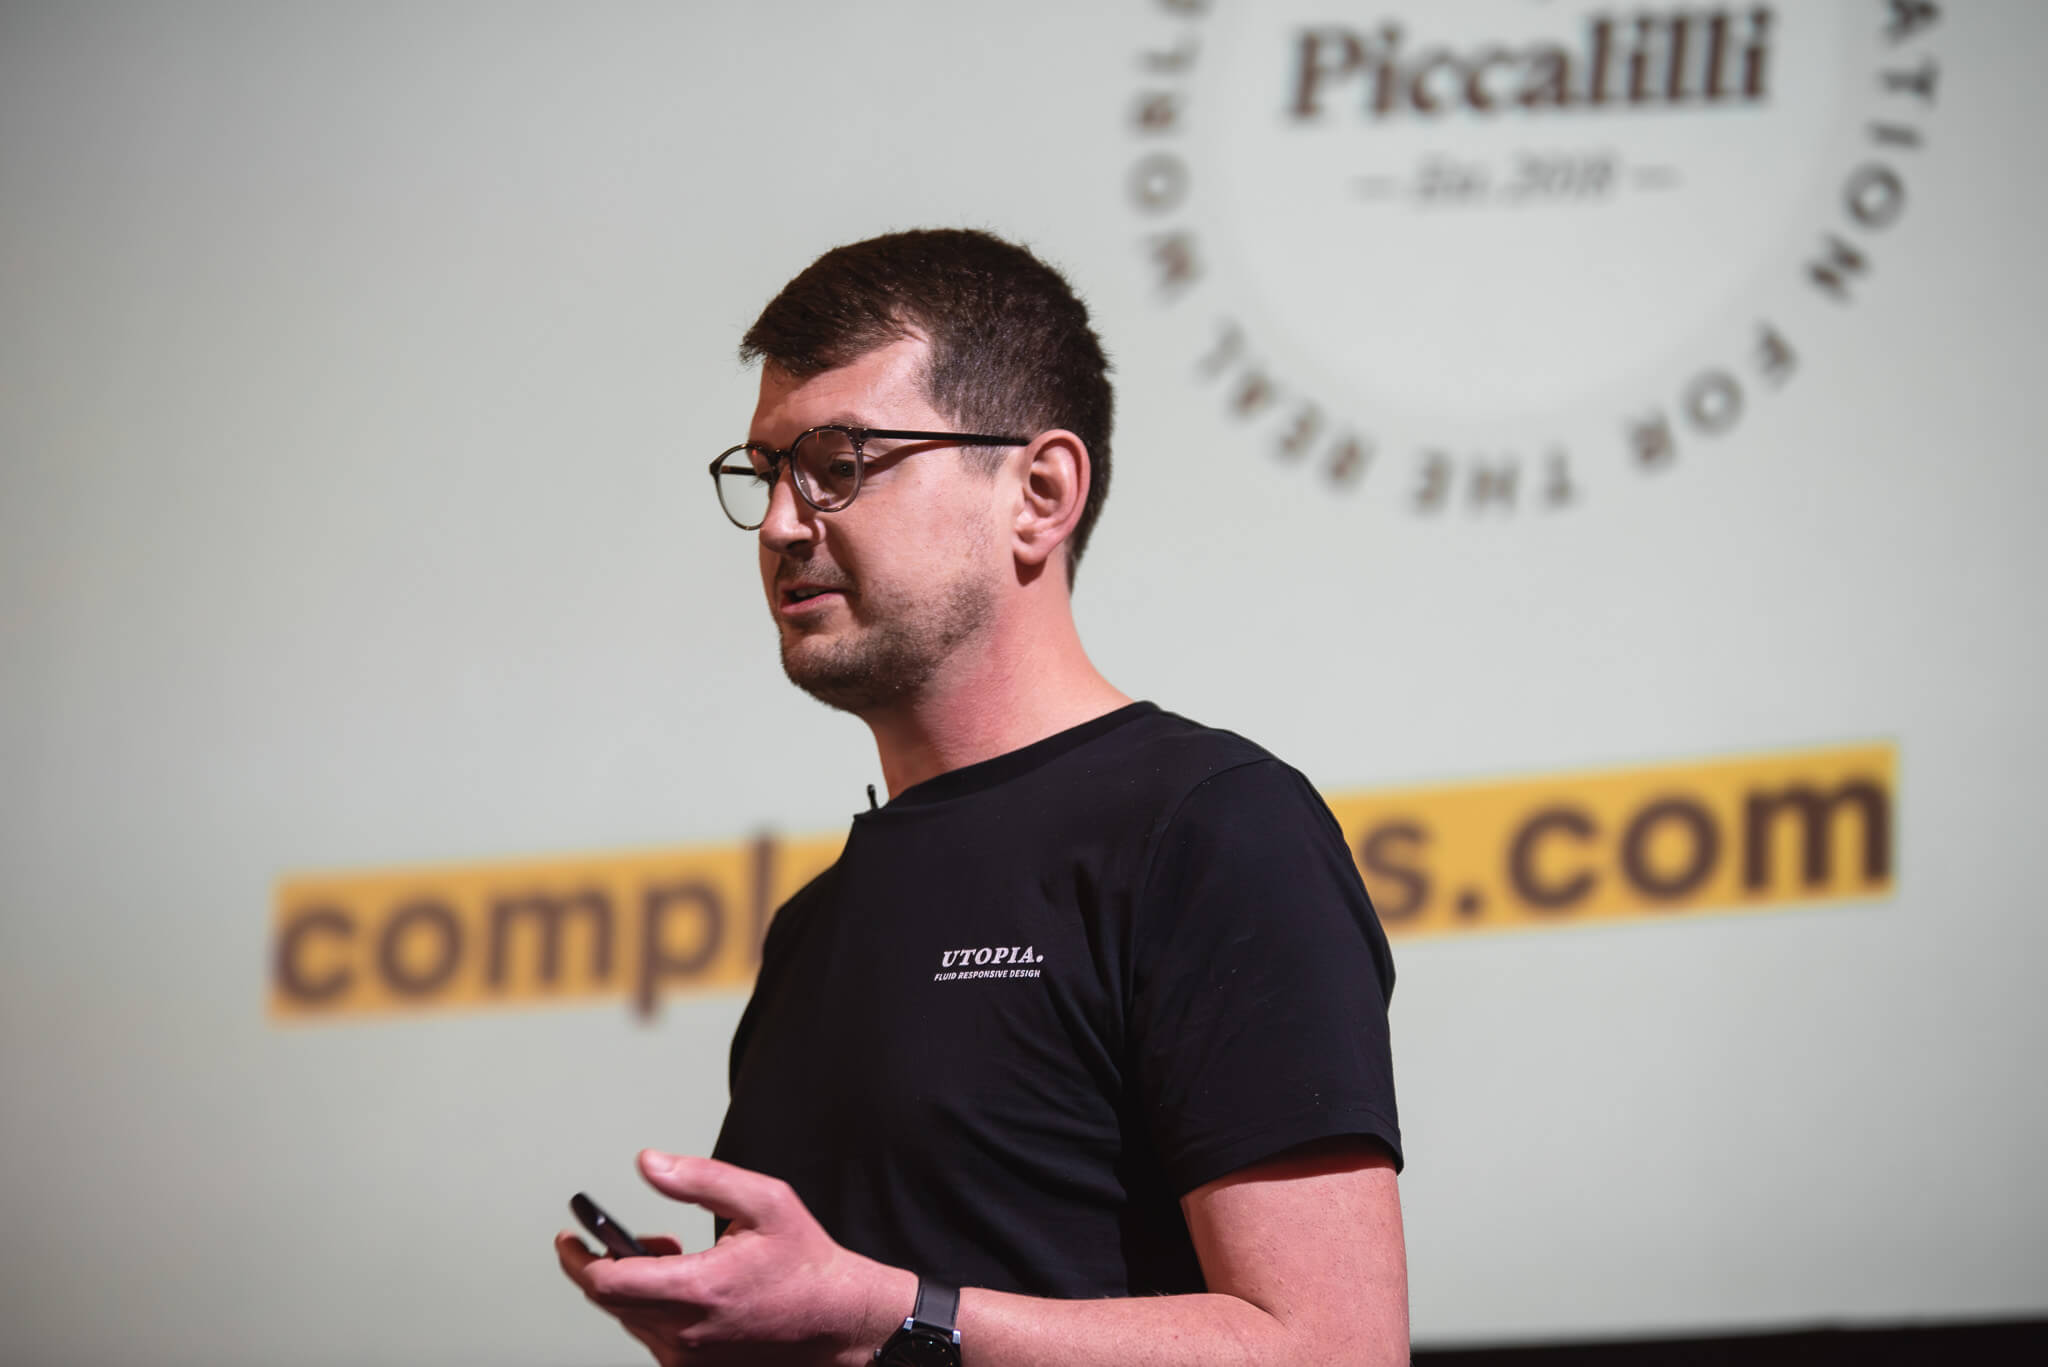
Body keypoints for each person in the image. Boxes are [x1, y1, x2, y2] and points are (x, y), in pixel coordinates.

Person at [557, 229, 1407, 1366]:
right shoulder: (812, 924)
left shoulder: (1208, 825)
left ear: (1038, 492)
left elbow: (1335, 1351)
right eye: (765, 472)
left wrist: (888, 1314)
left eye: (839, 462)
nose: (779, 524)